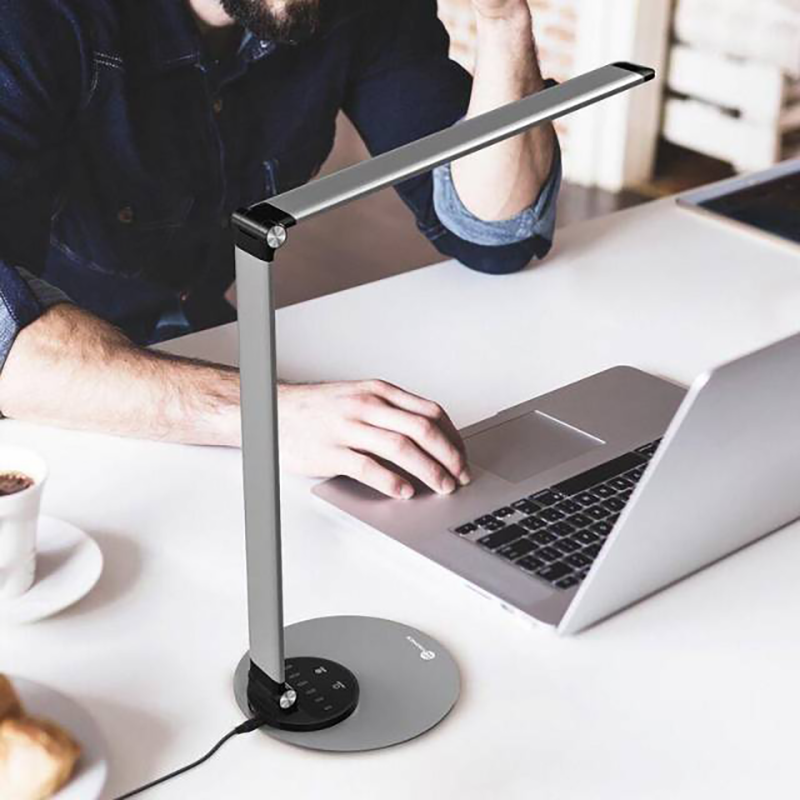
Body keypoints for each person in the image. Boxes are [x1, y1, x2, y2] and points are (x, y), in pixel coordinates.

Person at [0, 0, 560, 499]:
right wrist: (266, 415)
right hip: (47, 415)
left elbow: (496, 233)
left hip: (206, 356)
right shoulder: (30, 18)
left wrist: (503, 20)